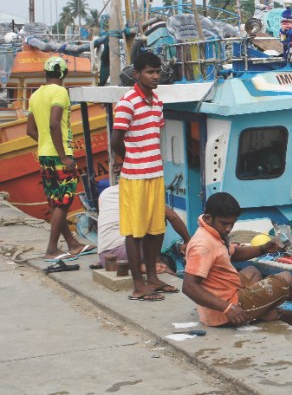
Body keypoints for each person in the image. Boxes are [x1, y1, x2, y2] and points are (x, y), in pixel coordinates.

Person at [182, 192, 292, 327]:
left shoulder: (214, 232)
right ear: (208, 218)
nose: (229, 228)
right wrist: (227, 308)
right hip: (223, 311)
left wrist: (263, 248)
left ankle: (258, 311)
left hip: (229, 293)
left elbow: (233, 253)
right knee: (288, 278)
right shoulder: (202, 245)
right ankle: (254, 313)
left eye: (232, 224)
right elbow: (189, 287)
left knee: (252, 270)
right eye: (224, 223)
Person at [111, 52, 171, 301]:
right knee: (135, 232)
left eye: (157, 72)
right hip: (135, 176)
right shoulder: (128, 101)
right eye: (150, 72)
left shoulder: (157, 101)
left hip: (155, 173)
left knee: (156, 229)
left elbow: (155, 134)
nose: (155, 76)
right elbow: (116, 141)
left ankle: (153, 279)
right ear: (137, 74)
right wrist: (131, 159)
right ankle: (138, 285)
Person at [26, 56, 96, 260]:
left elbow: (30, 130)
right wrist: (64, 156)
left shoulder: (36, 95)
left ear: (45, 74)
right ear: (63, 74)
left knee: (56, 202)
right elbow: (54, 123)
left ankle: (72, 244)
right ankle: (51, 249)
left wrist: (45, 143)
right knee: (64, 201)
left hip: (44, 154)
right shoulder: (60, 92)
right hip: (58, 155)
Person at [96, 182, 191, 271]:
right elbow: (173, 217)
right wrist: (187, 240)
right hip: (128, 253)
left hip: (104, 257)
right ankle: (155, 260)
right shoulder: (141, 192)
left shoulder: (105, 193)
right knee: (159, 216)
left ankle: (140, 265)